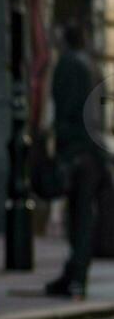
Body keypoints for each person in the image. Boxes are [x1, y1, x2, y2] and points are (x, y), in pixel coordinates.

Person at [45, 22, 105, 298]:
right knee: (83, 216)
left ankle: (76, 277)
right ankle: (75, 274)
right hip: (91, 150)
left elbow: (67, 109)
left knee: (79, 216)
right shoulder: (92, 66)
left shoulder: (70, 65)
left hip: (77, 151)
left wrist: (61, 150)